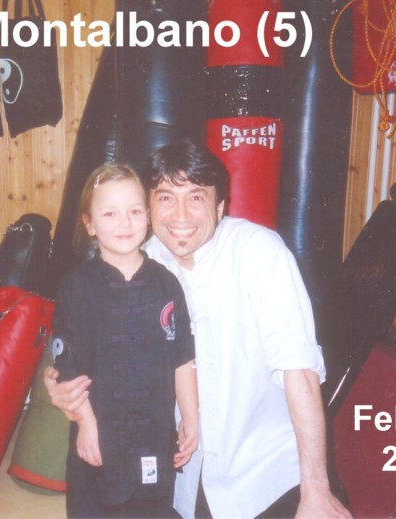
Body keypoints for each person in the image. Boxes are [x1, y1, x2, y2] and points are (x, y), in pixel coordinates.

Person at [45, 140, 352, 519]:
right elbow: (79, 341)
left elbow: (299, 370)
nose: (180, 215)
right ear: (149, 208)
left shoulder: (259, 252)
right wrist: (57, 385)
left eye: (196, 197)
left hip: (264, 468)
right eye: (166, 198)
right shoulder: (137, 259)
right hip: (182, 471)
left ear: (220, 207)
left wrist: (315, 490)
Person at [52, 163, 199, 518]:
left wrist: (191, 418)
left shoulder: (167, 284)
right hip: (98, 433)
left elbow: (182, 357)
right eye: (110, 214)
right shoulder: (76, 287)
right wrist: (85, 423)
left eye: (135, 211)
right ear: (89, 224)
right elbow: (66, 365)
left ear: (147, 216)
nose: (125, 223)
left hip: (154, 435)